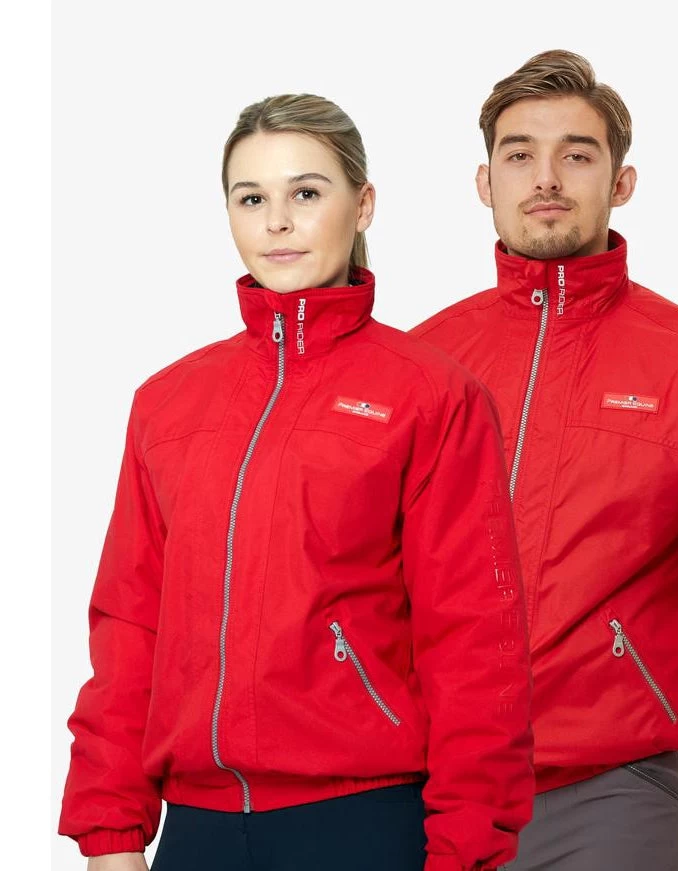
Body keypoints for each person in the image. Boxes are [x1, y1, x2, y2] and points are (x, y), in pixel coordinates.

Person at [58, 93, 534, 871]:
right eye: (252, 199)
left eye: (305, 193)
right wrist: (109, 831)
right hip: (197, 829)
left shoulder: (430, 394)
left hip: (362, 819)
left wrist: (464, 848)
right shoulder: (168, 401)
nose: (277, 222)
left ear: (362, 204)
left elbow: (473, 642)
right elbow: (128, 625)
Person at [411, 50, 678, 871]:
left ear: (620, 181)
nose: (545, 177)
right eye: (519, 154)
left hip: (614, 795)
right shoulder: (422, 364)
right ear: (484, 182)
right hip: (424, 790)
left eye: (576, 153)